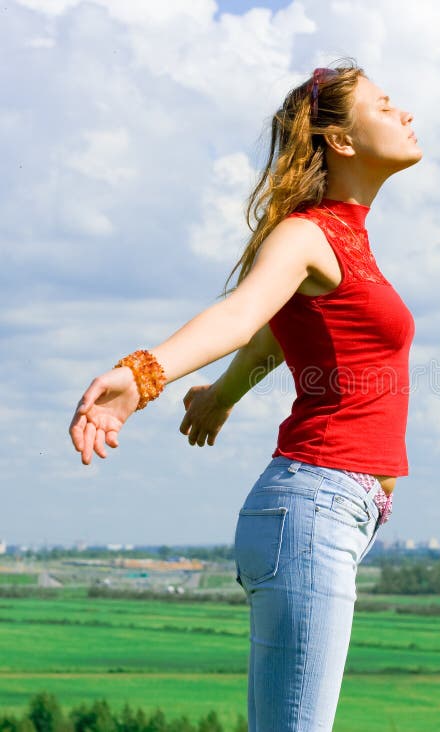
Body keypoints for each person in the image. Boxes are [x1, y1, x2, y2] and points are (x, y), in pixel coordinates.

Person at [68, 59, 421, 731]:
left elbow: (270, 336)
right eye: (385, 104)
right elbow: (239, 314)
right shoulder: (305, 234)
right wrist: (144, 376)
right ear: (340, 140)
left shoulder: (351, 241)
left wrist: (223, 397)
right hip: (314, 504)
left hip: (335, 510)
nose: (405, 113)